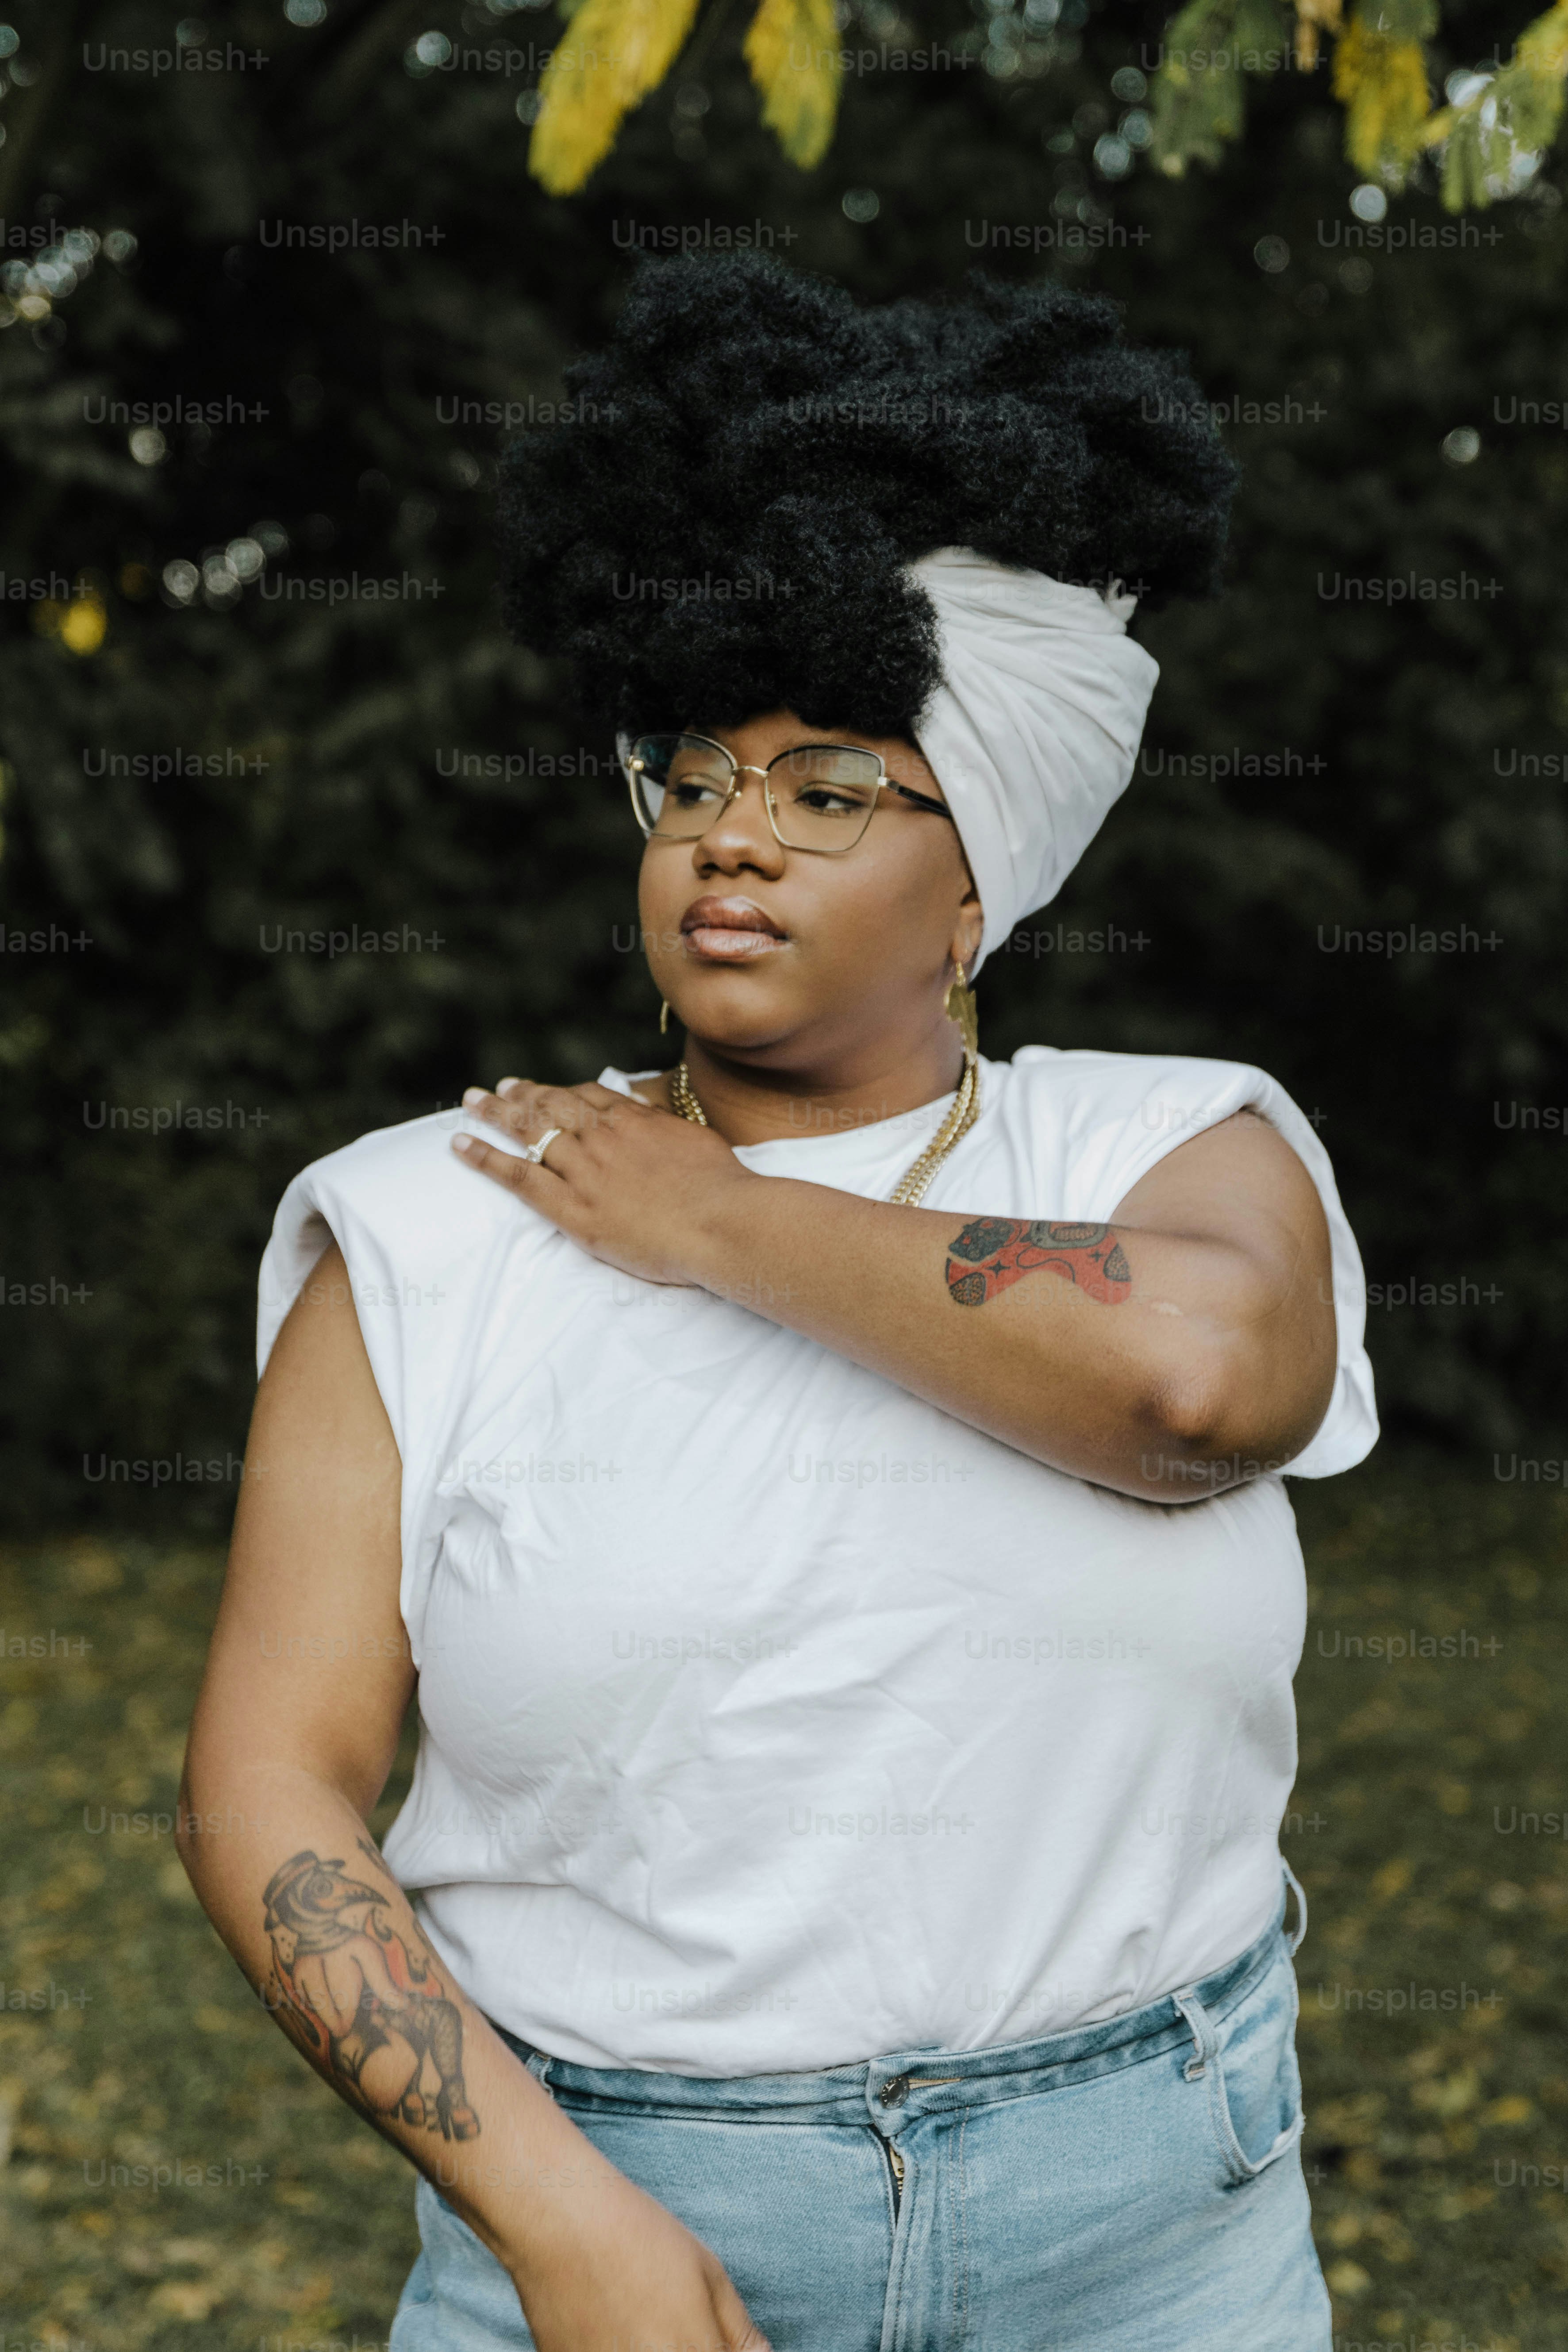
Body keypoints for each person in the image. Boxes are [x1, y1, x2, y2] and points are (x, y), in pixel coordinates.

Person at [179, 255, 1377, 2352]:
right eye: (693, 775)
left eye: (828, 788)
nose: (730, 840)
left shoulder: (1175, 1145)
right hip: (619, 2225)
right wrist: (565, 2230)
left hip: (1152, 2252)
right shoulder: (430, 1227)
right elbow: (272, 1789)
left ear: (984, 867)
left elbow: (1202, 1381)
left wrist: (716, 1221)